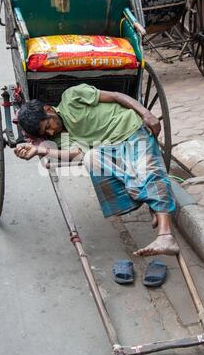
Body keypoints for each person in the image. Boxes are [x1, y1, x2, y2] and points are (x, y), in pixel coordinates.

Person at [15, 84, 179, 257]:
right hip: (110, 148)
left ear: (48, 109)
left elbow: (116, 95)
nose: (50, 131)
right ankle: (152, 201)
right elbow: (76, 153)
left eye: (48, 124)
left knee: (149, 171)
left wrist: (145, 113)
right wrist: (40, 149)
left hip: (131, 130)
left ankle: (165, 236)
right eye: (45, 132)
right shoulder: (59, 137)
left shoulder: (71, 97)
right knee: (90, 157)